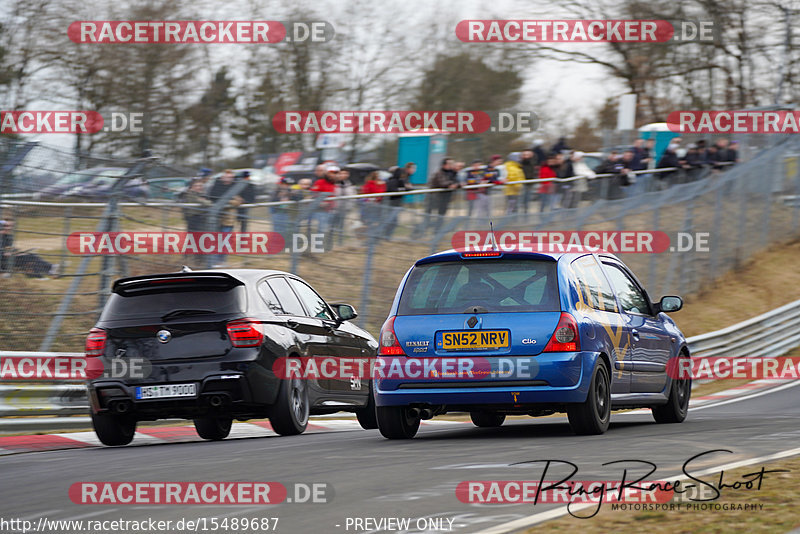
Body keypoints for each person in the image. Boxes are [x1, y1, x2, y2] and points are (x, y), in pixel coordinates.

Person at [207, 169, 244, 267]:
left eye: (230, 177)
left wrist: (225, 202)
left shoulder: (235, 188)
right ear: (222, 177)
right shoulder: (216, 187)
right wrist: (227, 201)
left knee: (225, 240)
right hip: (215, 218)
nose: (228, 179)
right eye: (226, 176)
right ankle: (213, 260)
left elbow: (239, 201)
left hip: (228, 220)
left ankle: (221, 260)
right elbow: (212, 198)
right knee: (214, 240)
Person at [384, 167, 410, 239]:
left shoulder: (401, 181)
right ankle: (385, 236)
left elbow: (408, 188)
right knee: (390, 221)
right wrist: (402, 189)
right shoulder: (392, 180)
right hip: (390, 204)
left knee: (394, 222)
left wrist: (403, 189)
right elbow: (392, 190)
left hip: (397, 204)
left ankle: (387, 236)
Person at [360, 170, 386, 236]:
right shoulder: (371, 184)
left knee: (372, 222)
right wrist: (382, 185)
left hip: (373, 205)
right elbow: (379, 192)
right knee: (372, 222)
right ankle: (369, 237)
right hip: (371, 205)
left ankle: (370, 236)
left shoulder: (369, 184)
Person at [519, 149, 538, 214]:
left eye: (528, 155)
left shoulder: (533, 162)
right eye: (524, 155)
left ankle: (526, 213)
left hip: (529, 183)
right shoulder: (520, 163)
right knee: (521, 199)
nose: (526, 156)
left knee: (527, 199)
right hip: (521, 183)